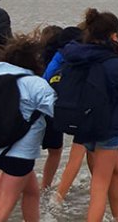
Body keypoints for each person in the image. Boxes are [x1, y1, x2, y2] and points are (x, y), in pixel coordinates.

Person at [56, 8, 118, 222]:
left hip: (81, 126)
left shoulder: (74, 58)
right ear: (114, 36)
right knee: (99, 187)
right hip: (106, 130)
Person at [0, 33, 55, 222]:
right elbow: (58, 112)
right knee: (1, 211)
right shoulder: (36, 84)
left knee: (32, 192)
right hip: (19, 154)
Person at [39, 26, 81, 190]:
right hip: (53, 109)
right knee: (55, 151)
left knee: (20, 148)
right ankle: (46, 186)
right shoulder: (63, 59)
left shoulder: (36, 58)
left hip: (33, 108)